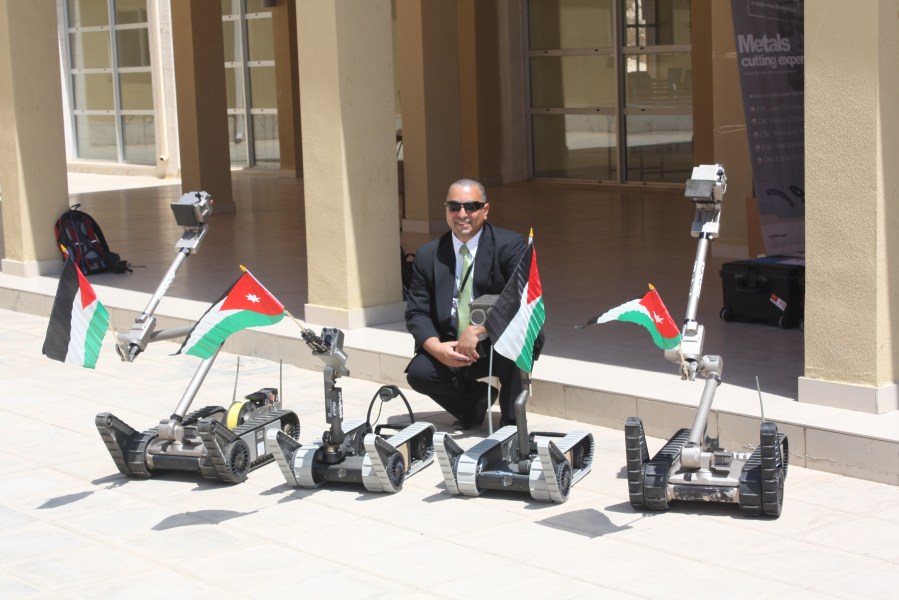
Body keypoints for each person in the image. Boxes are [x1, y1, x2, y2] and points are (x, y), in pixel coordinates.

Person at [404, 178, 529, 429]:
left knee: (517, 345)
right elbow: (416, 312)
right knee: (419, 373)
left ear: (485, 209)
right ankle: (474, 403)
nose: (462, 214)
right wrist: (437, 348)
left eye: (471, 206)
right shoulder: (428, 254)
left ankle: (512, 425)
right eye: (454, 207)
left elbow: (518, 299)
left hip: (497, 339)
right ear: (446, 210)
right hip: (453, 342)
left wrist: (480, 329)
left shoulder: (510, 245)